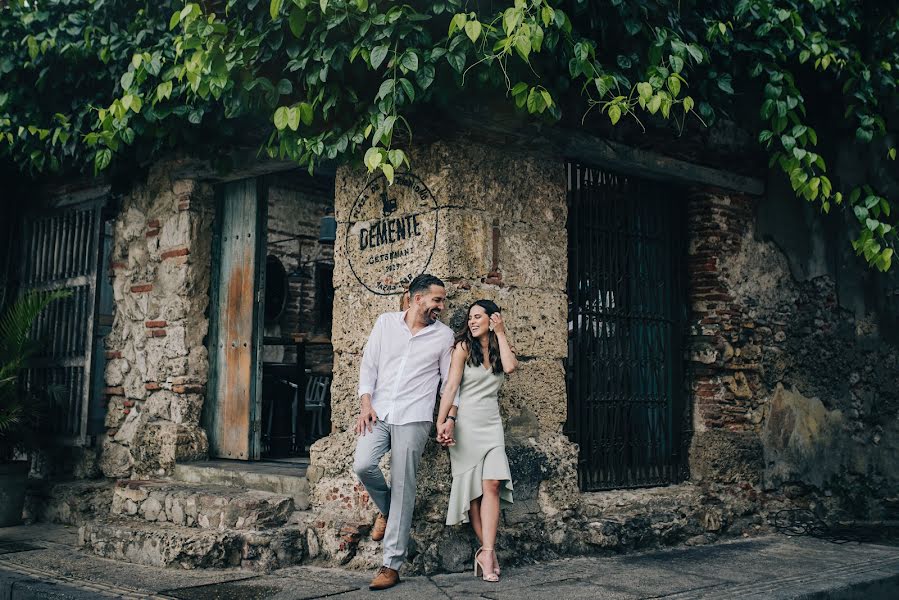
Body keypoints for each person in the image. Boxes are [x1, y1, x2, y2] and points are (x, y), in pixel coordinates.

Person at [352, 273, 454, 591]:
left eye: (443, 300)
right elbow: (369, 364)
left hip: (415, 416)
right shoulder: (385, 323)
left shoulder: (444, 336)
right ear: (416, 298)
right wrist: (365, 402)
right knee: (363, 464)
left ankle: (391, 565)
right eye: (437, 299)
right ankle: (387, 510)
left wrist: (449, 416)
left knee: (403, 483)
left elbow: (450, 382)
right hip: (379, 411)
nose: (441, 305)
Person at [435, 299, 518, 582]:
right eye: (470, 317)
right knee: (473, 493)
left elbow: (509, 367)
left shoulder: (498, 348)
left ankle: (486, 551)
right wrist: (441, 421)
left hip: (492, 425)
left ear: (492, 319)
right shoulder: (462, 348)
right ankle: (488, 553)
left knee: (492, 484)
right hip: (466, 426)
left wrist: (502, 333)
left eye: (478, 317)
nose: (472, 322)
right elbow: (451, 386)